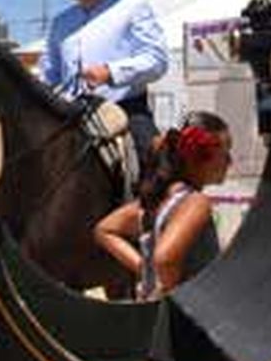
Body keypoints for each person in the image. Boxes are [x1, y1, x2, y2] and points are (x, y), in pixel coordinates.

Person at [35, 0, 168, 155]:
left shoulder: (132, 9)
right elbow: (49, 74)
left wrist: (110, 72)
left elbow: (157, 60)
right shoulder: (61, 22)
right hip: (68, 115)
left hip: (123, 110)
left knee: (152, 157)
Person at [94, 111, 232, 299]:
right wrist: (169, 292)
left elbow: (104, 230)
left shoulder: (153, 204)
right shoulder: (196, 203)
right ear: (200, 155)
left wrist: (145, 269)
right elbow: (164, 258)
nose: (230, 161)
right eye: (225, 152)